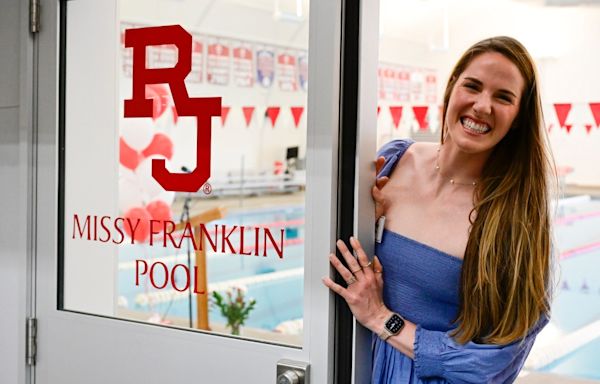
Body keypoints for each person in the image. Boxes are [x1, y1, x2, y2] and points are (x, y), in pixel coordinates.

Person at [322, 36, 555, 383]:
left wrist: (381, 318)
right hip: (351, 365)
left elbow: (490, 364)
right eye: (472, 86)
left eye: (503, 97)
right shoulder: (394, 161)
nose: (482, 106)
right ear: (451, 89)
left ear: (518, 118)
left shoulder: (514, 220)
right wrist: (364, 224)